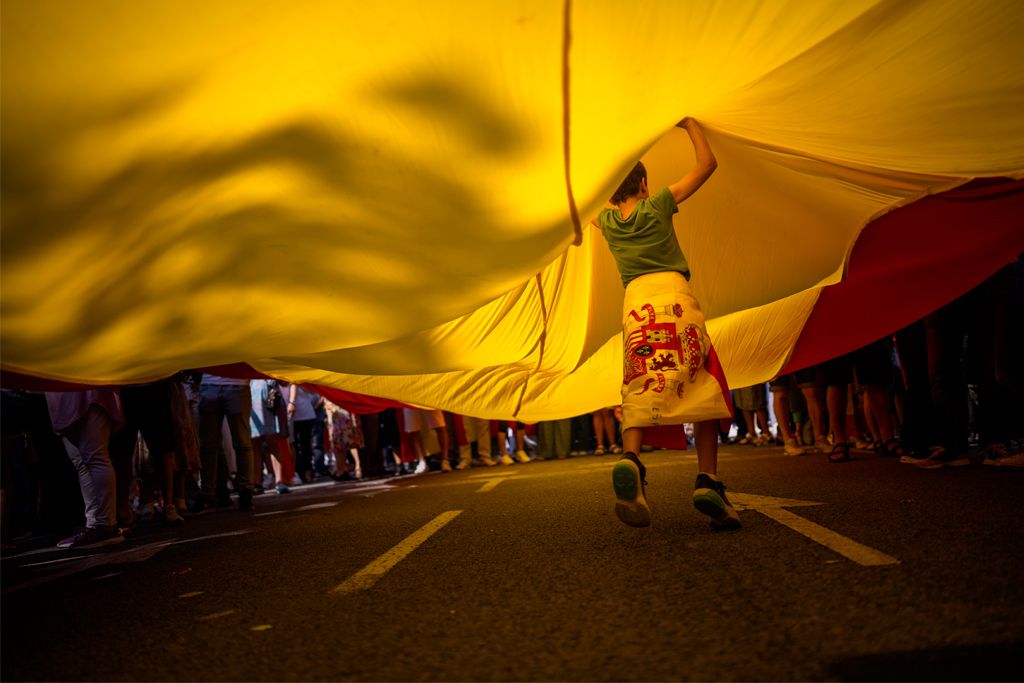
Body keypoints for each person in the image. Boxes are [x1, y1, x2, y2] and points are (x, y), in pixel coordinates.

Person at [593, 117, 739, 530]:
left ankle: (632, 460)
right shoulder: (658, 203)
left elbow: (577, 207)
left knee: (641, 380)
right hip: (675, 300)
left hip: (637, 305)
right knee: (702, 379)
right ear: (643, 185)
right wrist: (690, 125)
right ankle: (707, 478)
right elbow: (706, 166)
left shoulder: (605, 222)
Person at [45, 389, 126, 548]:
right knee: (82, 463)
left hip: (88, 388)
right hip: (62, 394)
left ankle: (106, 525)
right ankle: (94, 524)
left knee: (95, 457)